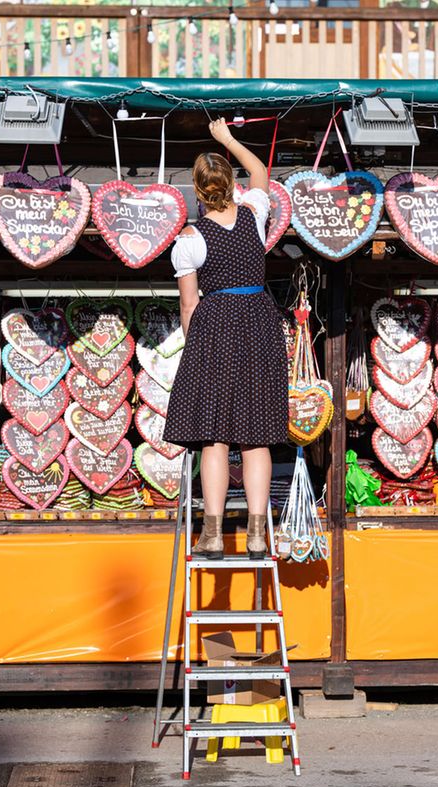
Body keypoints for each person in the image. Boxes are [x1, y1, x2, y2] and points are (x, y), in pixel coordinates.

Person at [163, 119, 288, 560]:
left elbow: (189, 305)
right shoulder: (254, 214)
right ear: (232, 185)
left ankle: (213, 535)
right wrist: (228, 139)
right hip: (259, 324)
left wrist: (193, 350)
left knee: (213, 437)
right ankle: (257, 535)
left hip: (215, 329)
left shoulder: (190, 240)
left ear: (197, 193)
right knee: (255, 437)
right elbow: (260, 172)